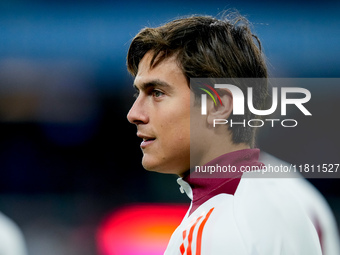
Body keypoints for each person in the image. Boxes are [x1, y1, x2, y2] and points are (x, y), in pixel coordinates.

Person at [126, 13, 322, 254]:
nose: (134, 114)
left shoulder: (250, 213)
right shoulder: (236, 208)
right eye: (138, 95)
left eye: (157, 93)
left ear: (219, 105)